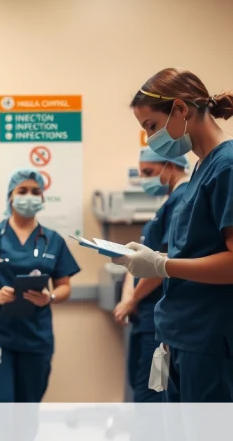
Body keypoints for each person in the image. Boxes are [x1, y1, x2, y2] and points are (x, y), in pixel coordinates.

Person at [114, 68, 233, 402]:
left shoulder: (227, 165)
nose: (151, 138)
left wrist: (163, 265)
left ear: (181, 109)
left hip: (209, 342)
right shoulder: (201, 167)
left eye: (152, 126)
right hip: (182, 337)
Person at [0, 169, 80, 403]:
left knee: (27, 410)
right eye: (22, 191)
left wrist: (50, 298)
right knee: (2, 407)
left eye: (36, 192)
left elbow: (64, 286)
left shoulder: (53, 240)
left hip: (35, 335)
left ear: (43, 199)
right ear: (11, 197)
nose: (29, 196)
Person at [113, 148, 189, 403]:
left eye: (148, 172)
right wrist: (129, 294)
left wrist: (131, 299)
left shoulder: (182, 200)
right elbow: (142, 260)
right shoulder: (167, 205)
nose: (144, 179)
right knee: (143, 386)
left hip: (158, 319)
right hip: (147, 316)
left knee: (151, 395)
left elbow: (163, 264)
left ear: (169, 165)